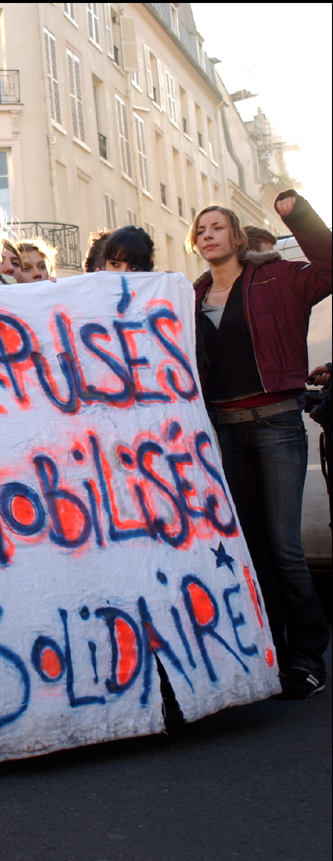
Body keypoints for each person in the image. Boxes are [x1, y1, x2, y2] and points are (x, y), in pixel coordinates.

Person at [188, 191, 332, 699]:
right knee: (252, 552)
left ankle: (308, 656)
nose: (208, 234)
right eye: (200, 229)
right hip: (224, 429)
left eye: (216, 226)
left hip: (275, 424)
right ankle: (269, 652)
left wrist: (298, 215)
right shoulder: (190, 296)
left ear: (236, 235)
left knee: (286, 549)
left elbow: (331, 266)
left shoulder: (278, 277)